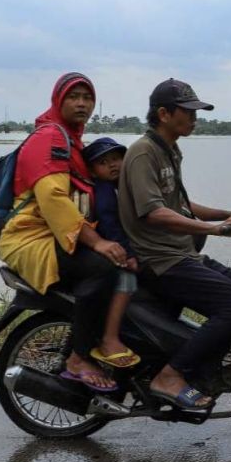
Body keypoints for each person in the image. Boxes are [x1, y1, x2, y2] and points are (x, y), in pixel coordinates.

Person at [119, 78, 231, 410]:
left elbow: (180, 205)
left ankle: (205, 368)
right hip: (160, 259)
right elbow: (153, 212)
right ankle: (170, 375)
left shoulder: (169, 150)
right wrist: (213, 229)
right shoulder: (143, 153)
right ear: (164, 114)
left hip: (181, 253)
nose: (195, 119)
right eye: (188, 112)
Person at [0, 73, 127, 393]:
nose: (82, 103)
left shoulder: (70, 139)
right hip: (30, 239)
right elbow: (53, 199)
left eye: (88, 97)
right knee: (105, 266)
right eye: (74, 96)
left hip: (54, 235)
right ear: (58, 100)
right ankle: (79, 357)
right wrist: (97, 242)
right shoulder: (50, 138)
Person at [82, 136, 142, 369]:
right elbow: (110, 227)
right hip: (108, 250)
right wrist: (129, 255)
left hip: (112, 246)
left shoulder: (120, 188)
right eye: (104, 162)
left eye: (117, 158)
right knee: (127, 281)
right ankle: (110, 337)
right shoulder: (105, 191)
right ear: (93, 171)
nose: (113, 165)